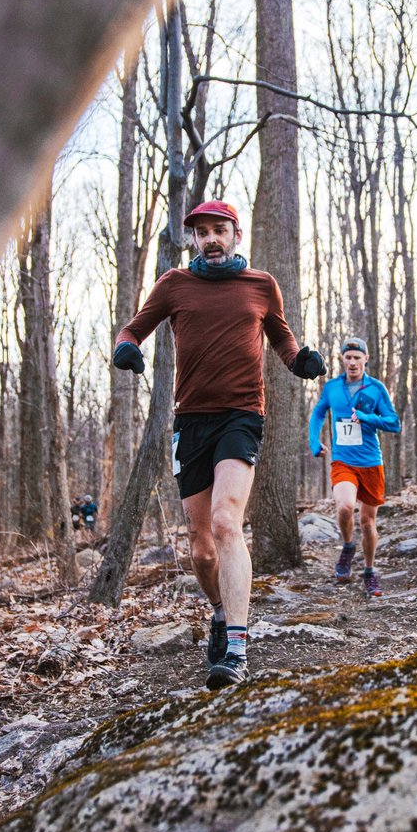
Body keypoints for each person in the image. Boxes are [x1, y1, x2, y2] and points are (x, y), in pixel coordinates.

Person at [112, 200, 325, 690]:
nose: (210, 238)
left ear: (236, 234)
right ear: (192, 240)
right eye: (201, 232)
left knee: (228, 521)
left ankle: (236, 647)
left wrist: (302, 361)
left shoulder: (261, 285)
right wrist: (127, 348)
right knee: (202, 550)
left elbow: (283, 342)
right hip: (190, 422)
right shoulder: (173, 285)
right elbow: (133, 328)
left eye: (219, 230)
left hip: (242, 416)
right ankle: (217, 609)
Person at [309, 337, 400, 597]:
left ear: (365, 360)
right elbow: (317, 413)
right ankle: (348, 546)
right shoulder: (332, 387)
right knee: (345, 507)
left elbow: (394, 422)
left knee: (368, 523)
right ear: (342, 360)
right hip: (343, 461)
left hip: (371, 462)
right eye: (348, 357)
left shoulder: (375, 388)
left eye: (357, 358)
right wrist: (315, 441)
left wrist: (367, 417)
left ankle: (369, 572)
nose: (352, 362)